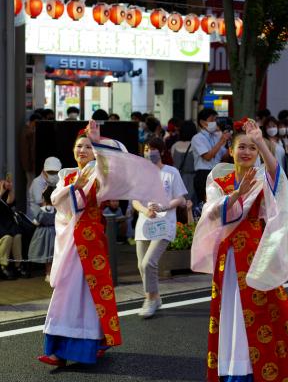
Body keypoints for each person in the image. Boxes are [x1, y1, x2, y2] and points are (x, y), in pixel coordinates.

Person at [191, 117, 288, 382]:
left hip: (255, 253)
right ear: (231, 150)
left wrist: (262, 141)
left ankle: (256, 369)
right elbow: (211, 214)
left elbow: (278, 180)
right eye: (242, 147)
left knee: (264, 311)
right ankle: (231, 369)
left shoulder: (262, 178)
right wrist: (237, 194)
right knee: (230, 310)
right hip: (228, 257)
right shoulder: (218, 180)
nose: (247, 152)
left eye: (252, 148)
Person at [38, 120, 168, 367]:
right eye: (79, 147)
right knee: (65, 293)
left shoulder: (98, 172)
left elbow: (115, 164)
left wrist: (98, 143)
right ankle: (57, 348)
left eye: (87, 147)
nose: (82, 151)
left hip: (91, 243)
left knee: (89, 296)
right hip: (70, 244)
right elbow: (58, 202)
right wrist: (71, 188)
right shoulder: (69, 175)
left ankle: (89, 345)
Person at [133, 138, 187, 318]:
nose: (150, 152)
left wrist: (164, 206)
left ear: (162, 151)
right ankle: (155, 297)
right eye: (147, 148)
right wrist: (144, 210)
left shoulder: (171, 172)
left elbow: (180, 198)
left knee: (149, 262)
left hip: (164, 223)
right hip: (144, 223)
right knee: (142, 265)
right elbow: (135, 201)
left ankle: (149, 299)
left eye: (154, 149)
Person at [192, 109, 230, 205]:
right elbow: (207, 156)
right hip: (203, 174)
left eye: (215, 120)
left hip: (217, 172)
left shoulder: (216, 136)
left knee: (217, 203)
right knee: (206, 204)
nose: (214, 123)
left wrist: (230, 144)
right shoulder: (197, 138)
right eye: (211, 120)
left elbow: (224, 157)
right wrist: (221, 141)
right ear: (202, 122)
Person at [28, 186, 56, 282]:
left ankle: (47, 273)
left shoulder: (42, 210)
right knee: (52, 253)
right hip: (53, 232)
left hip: (43, 233)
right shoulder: (55, 210)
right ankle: (51, 273)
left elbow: (36, 222)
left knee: (45, 252)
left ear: (43, 198)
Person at [0, 177, 26, 279]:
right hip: (1, 226)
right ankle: (3, 266)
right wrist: (1, 193)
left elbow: (10, 202)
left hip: (8, 223)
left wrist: (10, 190)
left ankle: (18, 265)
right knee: (7, 238)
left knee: (17, 236)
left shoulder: (5, 194)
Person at [171, 120, 198, 203]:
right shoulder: (195, 145)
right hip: (193, 179)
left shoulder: (174, 146)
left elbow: (173, 159)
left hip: (177, 179)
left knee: (179, 203)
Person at [20, 111, 42, 189]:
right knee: (31, 182)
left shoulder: (27, 130)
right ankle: (30, 200)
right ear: (33, 121)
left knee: (31, 182)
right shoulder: (30, 132)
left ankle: (31, 200)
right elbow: (30, 150)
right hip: (30, 163)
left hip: (29, 162)